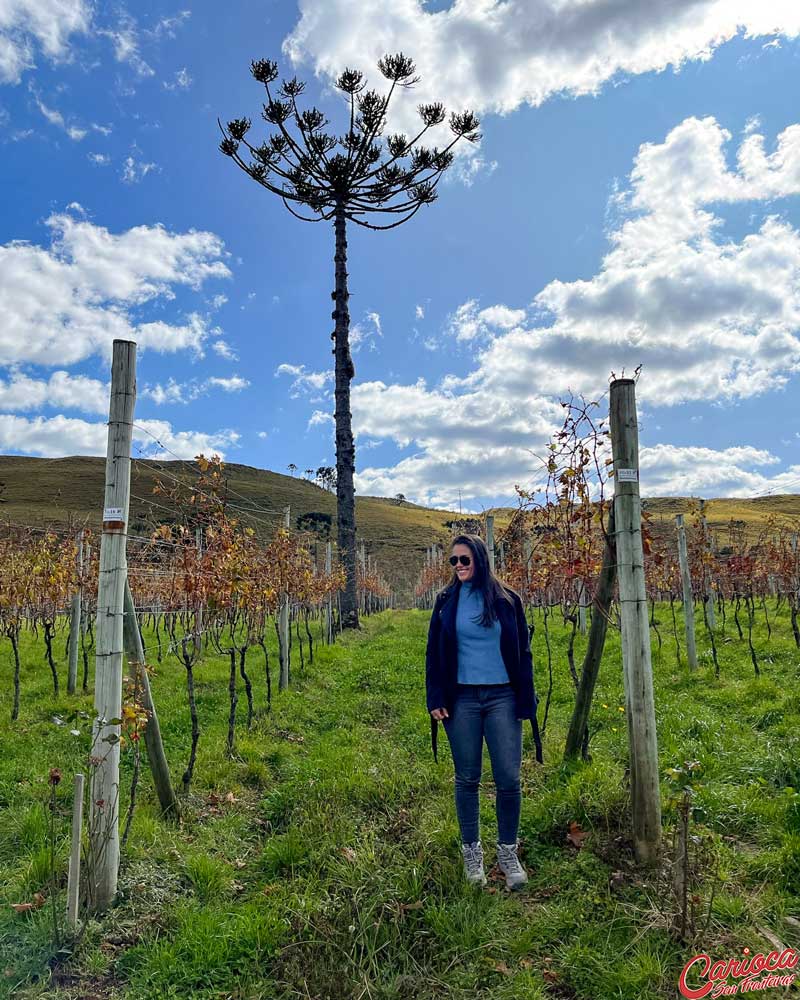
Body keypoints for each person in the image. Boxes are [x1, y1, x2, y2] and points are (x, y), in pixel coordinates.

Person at [425, 533, 542, 890]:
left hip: (503, 697)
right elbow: (433, 652)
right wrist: (435, 697)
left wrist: (526, 699)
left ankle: (508, 851)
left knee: (508, 777)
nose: (458, 566)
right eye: (453, 561)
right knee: (467, 777)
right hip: (461, 699)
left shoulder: (507, 601)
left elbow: (523, 653)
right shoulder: (446, 601)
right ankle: (472, 853)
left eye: (464, 560)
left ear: (480, 560)